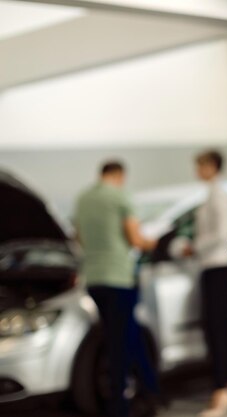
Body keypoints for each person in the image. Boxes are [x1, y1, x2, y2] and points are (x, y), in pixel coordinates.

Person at [74, 160, 160, 417]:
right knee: (121, 343)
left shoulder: (83, 198)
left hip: (94, 279)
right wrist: (152, 243)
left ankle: (151, 390)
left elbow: (78, 237)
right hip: (119, 278)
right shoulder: (120, 197)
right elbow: (135, 239)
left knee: (124, 335)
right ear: (120, 175)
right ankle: (121, 406)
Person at [181, 150, 227, 417]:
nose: (197, 170)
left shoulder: (219, 195)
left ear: (212, 166)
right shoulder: (210, 194)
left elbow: (220, 234)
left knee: (216, 328)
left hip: (219, 267)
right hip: (212, 267)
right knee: (219, 327)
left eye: (200, 165)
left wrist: (193, 247)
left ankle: (222, 388)